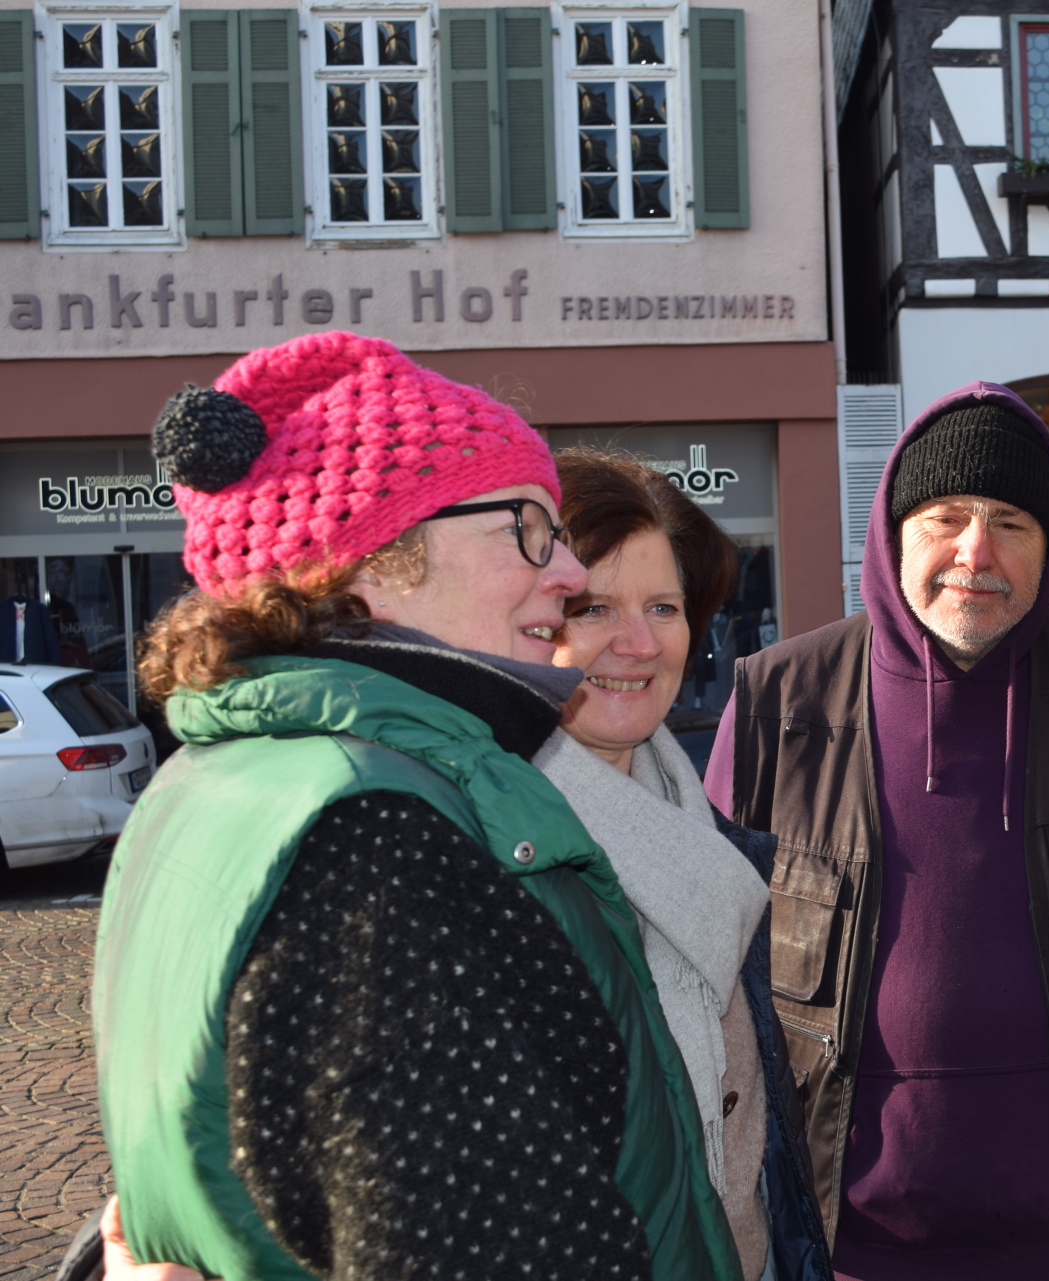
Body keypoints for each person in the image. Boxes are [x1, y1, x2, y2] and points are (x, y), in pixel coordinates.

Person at [93, 332, 740, 1281]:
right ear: (373, 561)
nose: (567, 573)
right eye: (525, 527)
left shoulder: (213, 781)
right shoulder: (374, 835)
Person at [704, 383, 1049, 1281]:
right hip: (848, 1244)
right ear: (894, 531)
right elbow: (713, 959)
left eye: (1011, 523)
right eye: (945, 517)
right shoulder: (778, 700)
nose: (976, 552)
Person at [540, 449, 831, 1280]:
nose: (638, 643)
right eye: (593, 607)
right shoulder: (504, 845)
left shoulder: (701, 827)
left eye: (663, 607)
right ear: (530, 619)